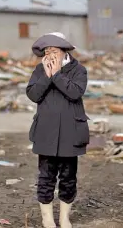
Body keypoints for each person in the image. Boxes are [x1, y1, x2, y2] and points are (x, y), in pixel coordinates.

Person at [26, 32, 90, 228]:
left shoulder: (78, 70)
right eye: (46, 51)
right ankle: (47, 218)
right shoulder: (39, 70)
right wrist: (46, 75)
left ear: (64, 51)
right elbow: (33, 95)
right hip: (46, 132)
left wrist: (56, 75)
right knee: (45, 177)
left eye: (53, 50)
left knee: (68, 178)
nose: (50, 55)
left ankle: (64, 218)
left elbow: (74, 93)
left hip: (71, 132)